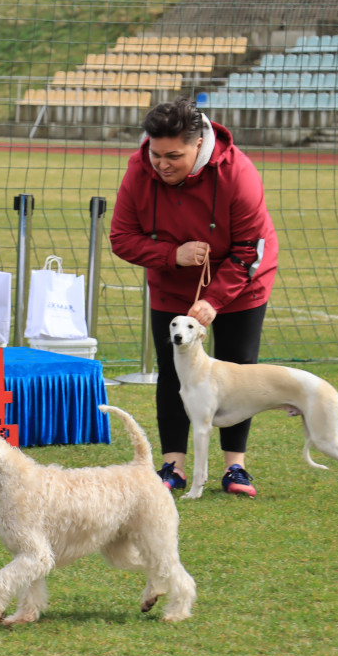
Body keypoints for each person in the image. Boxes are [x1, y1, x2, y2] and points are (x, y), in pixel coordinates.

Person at [110, 96, 279, 497]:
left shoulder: (238, 174)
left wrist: (214, 300)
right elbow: (121, 238)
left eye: (173, 156)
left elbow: (249, 250)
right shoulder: (139, 170)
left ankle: (235, 468)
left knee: (238, 370)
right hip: (171, 282)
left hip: (241, 284)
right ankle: (173, 466)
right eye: (155, 154)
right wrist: (172, 255)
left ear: (199, 144)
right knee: (174, 373)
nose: (162, 164)